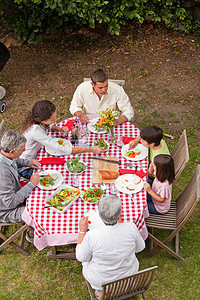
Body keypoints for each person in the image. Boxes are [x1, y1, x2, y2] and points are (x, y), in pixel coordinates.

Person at [76, 195, 145, 299]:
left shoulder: (92, 235)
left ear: (99, 214)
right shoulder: (131, 227)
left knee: (86, 258)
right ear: (120, 214)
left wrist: (82, 231)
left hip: (101, 281)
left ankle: (102, 292)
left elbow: (81, 257)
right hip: (129, 277)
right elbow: (140, 248)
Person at [19, 100, 104, 179]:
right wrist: (90, 149)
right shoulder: (35, 130)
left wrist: (58, 129)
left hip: (38, 152)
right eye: (52, 119)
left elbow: (49, 125)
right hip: (27, 166)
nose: (56, 120)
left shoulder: (37, 120)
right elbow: (59, 148)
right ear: (42, 120)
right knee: (60, 176)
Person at [0, 131, 40, 223]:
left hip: (15, 193)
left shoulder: (4, 153)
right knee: (40, 212)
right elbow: (11, 203)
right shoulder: (2, 174)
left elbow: (12, 161)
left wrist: (27, 163)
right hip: (7, 210)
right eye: (22, 150)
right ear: (12, 151)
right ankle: (34, 230)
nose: (24, 151)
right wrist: (31, 184)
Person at [69, 69, 134, 125]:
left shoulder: (117, 90)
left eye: (106, 86)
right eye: (100, 88)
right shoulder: (82, 88)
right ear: (92, 84)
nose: (104, 90)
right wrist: (81, 115)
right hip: (88, 122)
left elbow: (128, 110)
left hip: (110, 124)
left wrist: (118, 121)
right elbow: (74, 106)